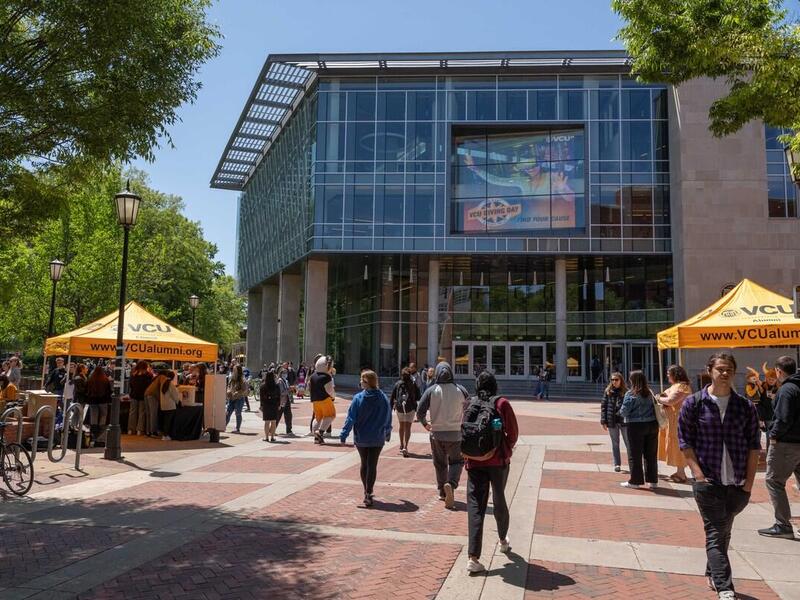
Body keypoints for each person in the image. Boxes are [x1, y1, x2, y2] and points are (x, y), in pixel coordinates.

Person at [678, 352, 760, 599]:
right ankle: (725, 587)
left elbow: (754, 446)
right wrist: (698, 474)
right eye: (720, 369)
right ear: (709, 370)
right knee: (715, 531)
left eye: (729, 370)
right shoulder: (694, 404)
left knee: (723, 532)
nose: (725, 373)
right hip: (708, 482)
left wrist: (748, 484)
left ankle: (712, 572)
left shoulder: (744, 406)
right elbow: (685, 442)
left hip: (737, 484)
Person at [464, 371, 519, 574]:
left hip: (474, 461)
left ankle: (473, 557)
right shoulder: (502, 403)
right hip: (498, 461)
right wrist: (504, 448)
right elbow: (513, 432)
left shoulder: (470, 403)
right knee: (499, 499)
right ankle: (503, 539)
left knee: (475, 507)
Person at [416, 361, 470, 509]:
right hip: (456, 434)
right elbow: (470, 410)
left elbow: (420, 411)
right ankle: (451, 485)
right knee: (457, 462)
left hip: (437, 433)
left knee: (440, 463)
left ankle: (442, 491)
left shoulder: (431, 390)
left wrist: (426, 425)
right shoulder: (461, 390)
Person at [759, 355, 800, 539]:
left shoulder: (787, 390)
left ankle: (783, 525)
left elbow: (783, 418)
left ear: (779, 371)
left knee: (774, 481)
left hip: (786, 443)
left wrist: (773, 435)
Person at [339, 369, 392, 507]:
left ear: (367, 382)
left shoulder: (358, 398)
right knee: (372, 464)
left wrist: (344, 434)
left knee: (364, 463)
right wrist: (387, 431)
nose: (360, 382)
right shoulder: (383, 398)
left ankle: (366, 491)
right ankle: (369, 492)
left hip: (362, 437)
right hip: (377, 437)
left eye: (362, 380)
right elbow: (388, 416)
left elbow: (351, 417)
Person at [619, 370, 659, 489]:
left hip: (636, 426)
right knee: (651, 454)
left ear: (632, 381)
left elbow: (624, 411)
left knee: (635, 454)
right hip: (652, 424)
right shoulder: (650, 392)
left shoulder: (631, 394)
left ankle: (635, 481)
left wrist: (620, 411)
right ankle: (653, 481)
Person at [657, 365, 693, 483]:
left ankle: (681, 473)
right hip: (672, 420)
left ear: (675, 374)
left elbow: (671, 401)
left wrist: (659, 398)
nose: (667, 375)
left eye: (669, 373)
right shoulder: (676, 386)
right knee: (675, 444)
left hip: (679, 420)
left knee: (678, 445)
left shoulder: (682, 386)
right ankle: (680, 471)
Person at [600, 371, 629, 472]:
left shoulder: (626, 392)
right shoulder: (608, 391)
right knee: (615, 443)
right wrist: (603, 421)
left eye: (616, 380)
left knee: (628, 443)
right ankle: (617, 464)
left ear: (621, 380)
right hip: (612, 421)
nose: (614, 382)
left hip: (624, 421)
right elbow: (604, 406)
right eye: (612, 380)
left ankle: (632, 462)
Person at [390, 367, 420, 457]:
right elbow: (418, 396)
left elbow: (392, 396)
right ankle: (406, 446)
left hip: (400, 408)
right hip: (410, 408)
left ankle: (401, 444)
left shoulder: (398, 384)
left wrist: (390, 407)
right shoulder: (413, 384)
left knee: (401, 426)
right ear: (410, 375)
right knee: (408, 427)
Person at [309, 355, 336, 444]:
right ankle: (320, 432)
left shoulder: (313, 376)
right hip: (325, 399)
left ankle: (316, 435)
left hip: (315, 400)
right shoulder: (327, 377)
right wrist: (333, 396)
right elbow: (329, 390)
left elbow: (309, 387)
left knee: (318, 417)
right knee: (330, 415)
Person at [86, 364, 113, 446]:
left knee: (93, 418)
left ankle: (93, 435)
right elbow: (109, 391)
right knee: (103, 417)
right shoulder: (105, 380)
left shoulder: (90, 380)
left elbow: (87, 390)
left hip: (93, 401)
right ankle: (100, 438)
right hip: (103, 401)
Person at [128, 361, 153, 436]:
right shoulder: (148, 375)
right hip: (143, 396)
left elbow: (130, 385)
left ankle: (131, 429)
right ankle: (139, 430)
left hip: (134, 395)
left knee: (132, 412)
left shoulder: (133, 375)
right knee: (142, 413)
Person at [224, 364, 247, 433]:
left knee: (238, 413)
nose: (233, 370)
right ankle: (224, 426)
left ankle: (237, 428)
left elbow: (244, 389)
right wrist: (228, 391)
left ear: (238, 370)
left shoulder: (242, 379)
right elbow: (228, 386)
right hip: (231, 398)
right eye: (233, 369)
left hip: (239, 398)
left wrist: (237, 392)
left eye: (235, 369)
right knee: (228, 413)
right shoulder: (232, 378)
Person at [260, 368, 281, 442]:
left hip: (266, 405)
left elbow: (261, 397)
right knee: (273, 422)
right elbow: (279, 396)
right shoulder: (276, 386)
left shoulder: (263, 386)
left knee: (267, 422)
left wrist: (261, 405)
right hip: (274, 404)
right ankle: (272, 437)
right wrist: (279, 404)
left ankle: (266, 437)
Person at [276, 366, 294, 436]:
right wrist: (289, 390)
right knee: (278, 415)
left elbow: (287, 390)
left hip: (287, 400)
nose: (285, 374)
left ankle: (289, 430)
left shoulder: (286, 381)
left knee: (289, 415)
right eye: (284, 373)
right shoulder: (280, 381)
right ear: (281, 373)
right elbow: (282, 392)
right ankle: (272, 429)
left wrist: (290, 389)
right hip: (282, 400)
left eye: (286, 373)